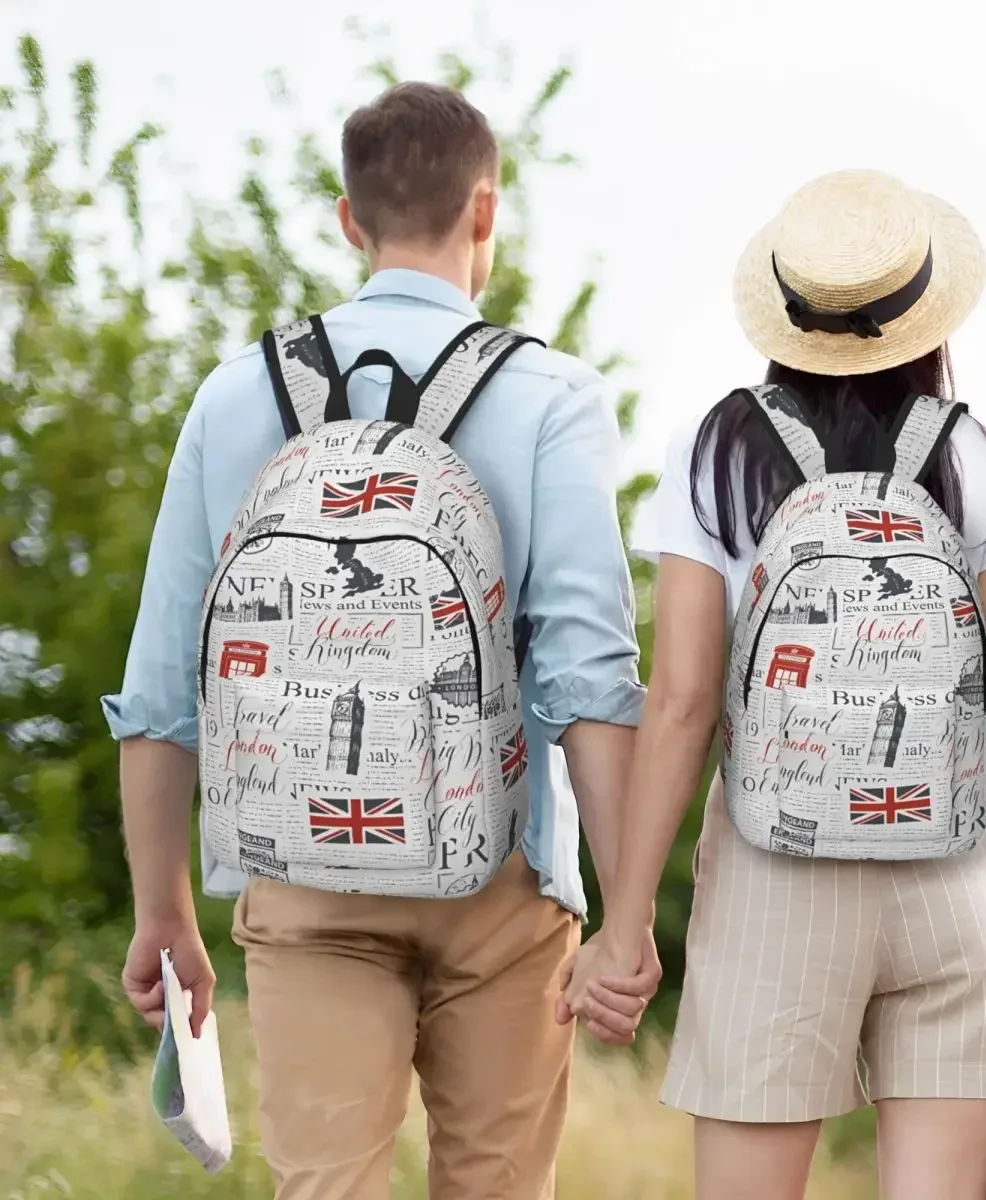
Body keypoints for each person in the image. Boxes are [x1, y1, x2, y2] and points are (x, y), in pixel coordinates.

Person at [104, 81, 660, 1200]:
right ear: (486, 213)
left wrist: (163, 911)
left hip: (301, 874)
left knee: (325, 1187)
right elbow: (589, 678)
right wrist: (627, 914)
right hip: (501, 875)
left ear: (349, 220)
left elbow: (164, 683)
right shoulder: (550, 396)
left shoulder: (234, 396)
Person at [561, 169, 986, 1200]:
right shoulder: (974, 456)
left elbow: (681, 704)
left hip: (773, 884)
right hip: (952, 884)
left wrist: (624, 926)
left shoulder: (717, 450)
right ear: (925, 315)